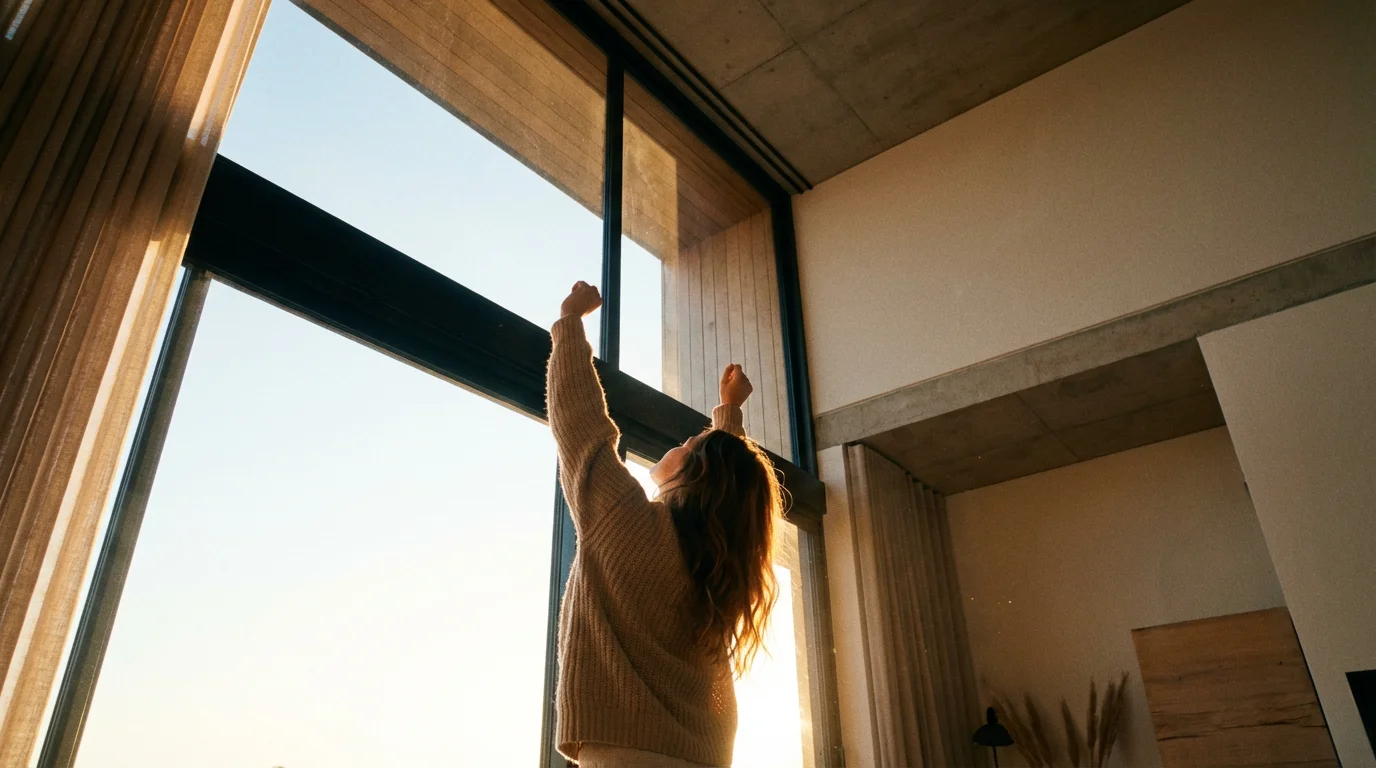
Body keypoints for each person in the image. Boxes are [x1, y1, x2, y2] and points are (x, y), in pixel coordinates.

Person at [547, 280, 785, 768]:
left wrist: (570, 323)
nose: (678, 443)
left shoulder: (629, 525)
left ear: (691, 474)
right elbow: (729, 490)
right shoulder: (715, 571)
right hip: (701, 753)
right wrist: (729, 416)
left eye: (690, 441)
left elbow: (582, 425)